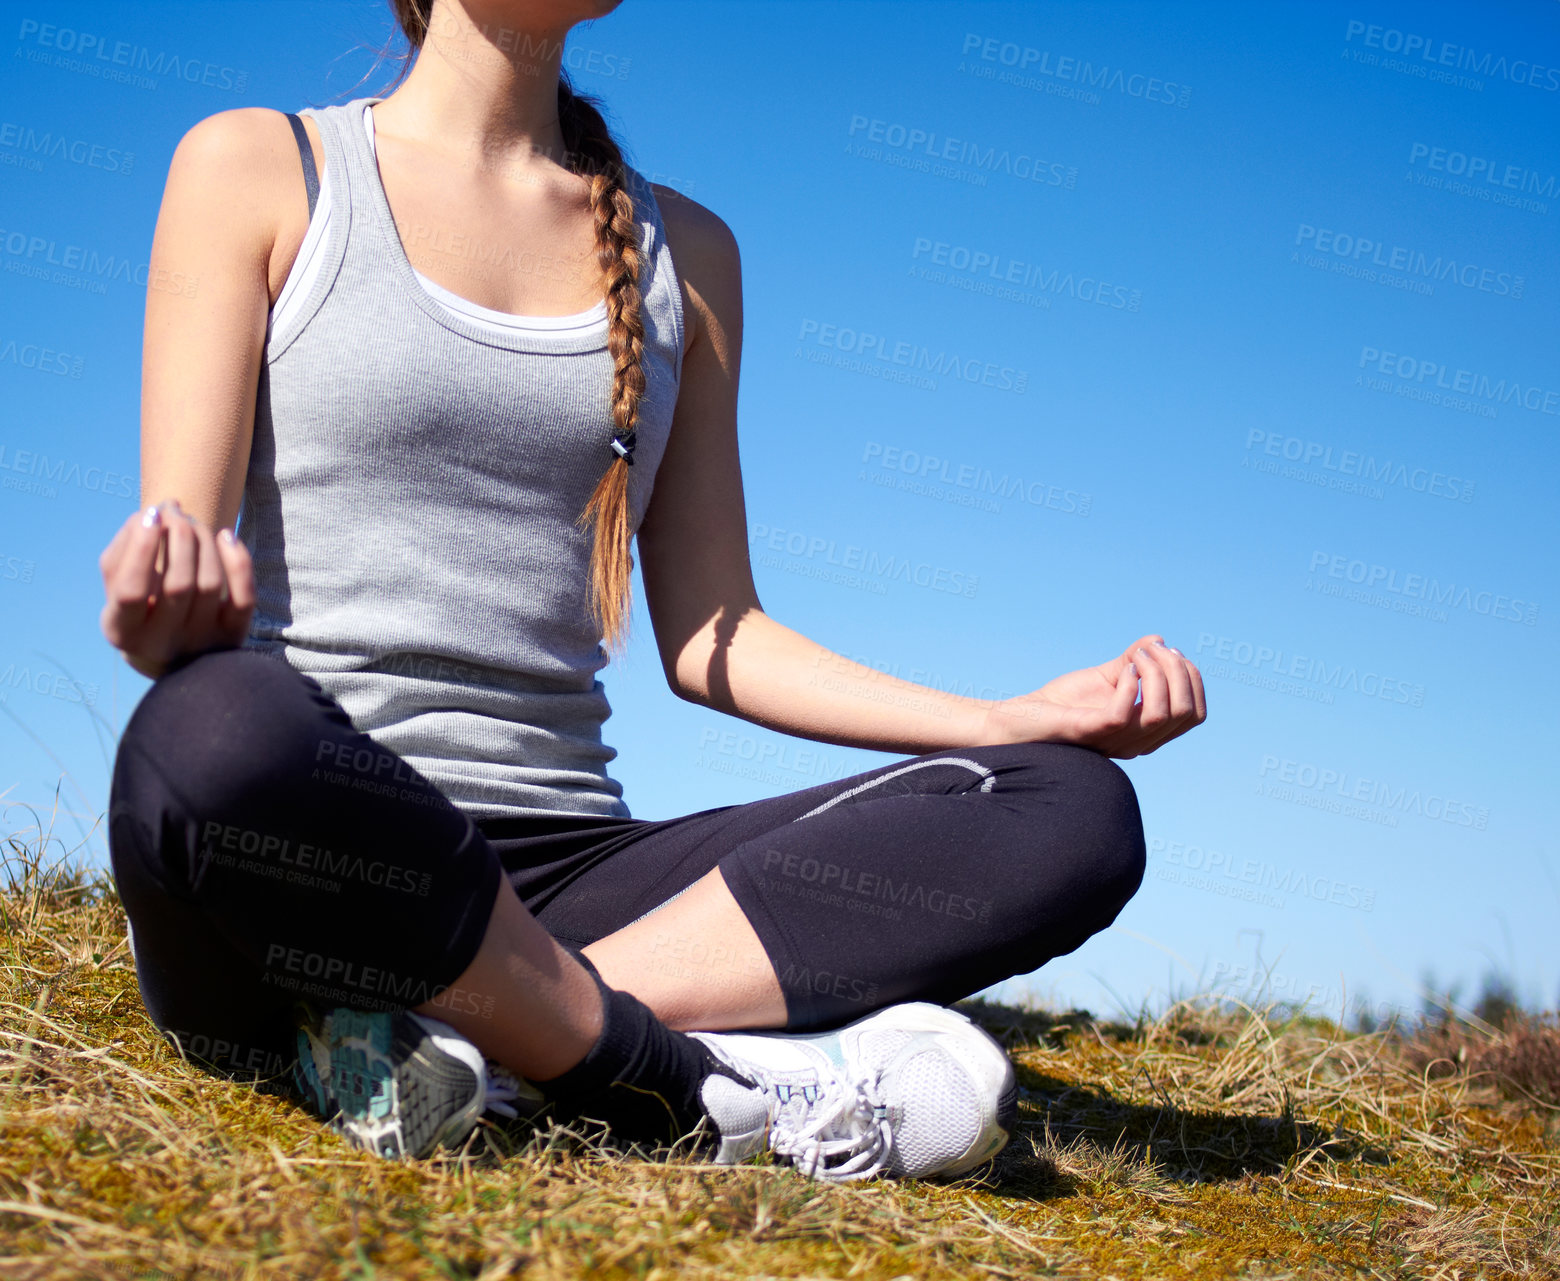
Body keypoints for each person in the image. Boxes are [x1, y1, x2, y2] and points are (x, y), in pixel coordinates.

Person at [98, 0, 1205, 1182]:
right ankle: (687, 1080)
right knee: (209, 729)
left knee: (1068, 809)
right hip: (317, 834)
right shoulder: (261, 166)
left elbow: (717, 632)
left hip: (574, 877)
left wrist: (1006, 721)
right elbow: (182, 530)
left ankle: (496, 1029)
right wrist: (174, 613)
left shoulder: (691, 255)